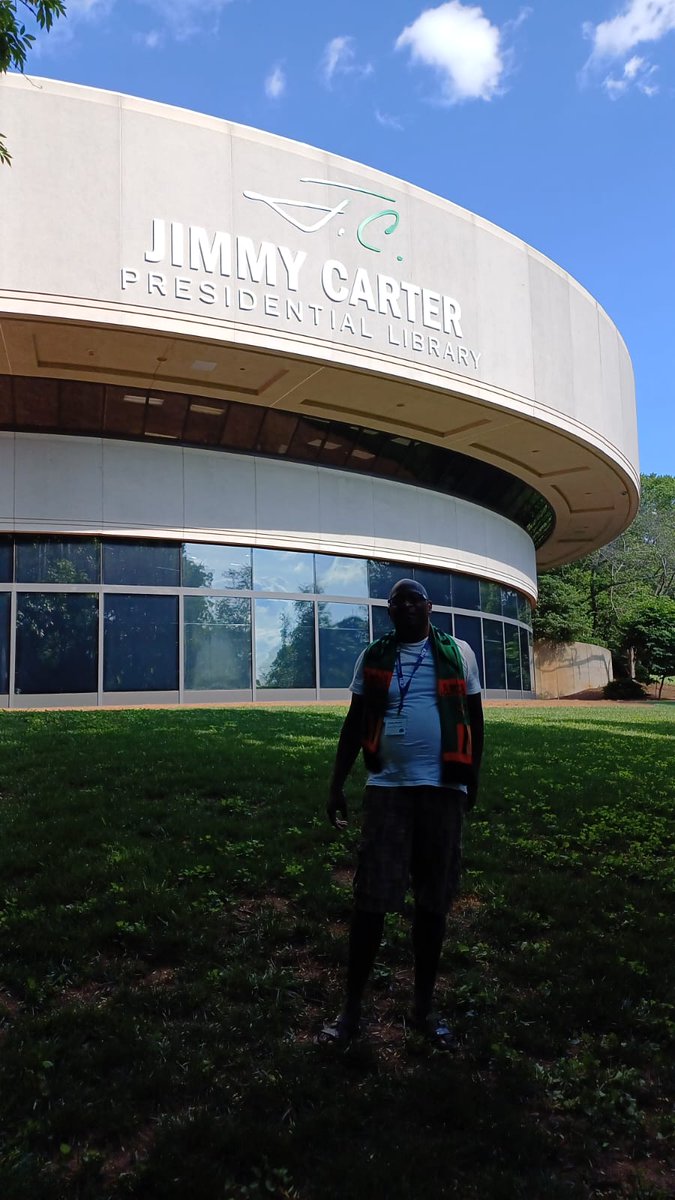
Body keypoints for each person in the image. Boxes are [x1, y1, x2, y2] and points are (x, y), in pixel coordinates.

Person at [322, 577, 484, 1050]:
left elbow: (474, 719)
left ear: (430, 608)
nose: (408, 607)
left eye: (416, 600)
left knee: (433, 904)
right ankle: (351, 1011)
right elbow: (355, 721)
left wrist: (471, 778)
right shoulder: (374, 656)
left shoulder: (460, 653)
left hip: (443, 790)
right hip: (388, 789)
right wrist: (336, 784)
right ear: (389, 611)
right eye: (399, 602)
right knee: (371, 901)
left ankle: (423, 1008)